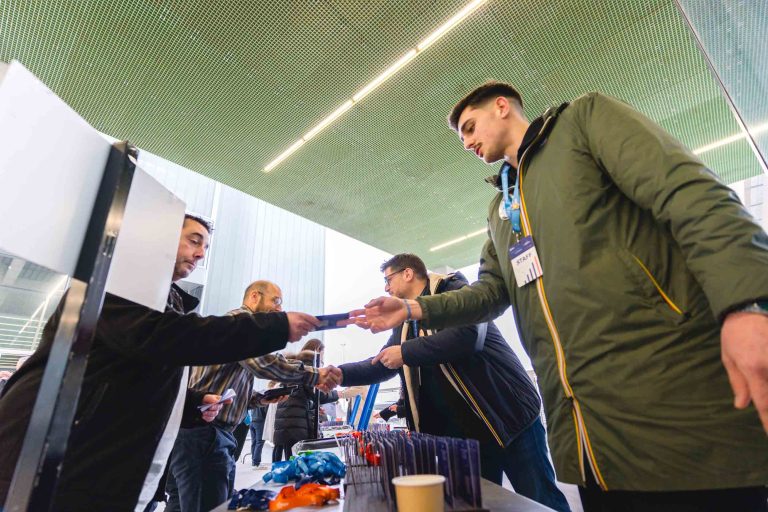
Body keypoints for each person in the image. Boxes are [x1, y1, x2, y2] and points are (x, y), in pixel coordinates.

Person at [353, 82, 768, 510]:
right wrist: (411, 307)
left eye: (470, 127)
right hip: (588, 432)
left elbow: (688, 192)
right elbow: (491, 294)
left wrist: (746, 305)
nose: (468, 142)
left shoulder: (583, 124)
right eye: (462, 137)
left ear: (501, 107)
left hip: (671, 395)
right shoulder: (501, 210)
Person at [0, 214, 320, 512]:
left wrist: (193, 405)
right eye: (194, 241)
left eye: (205, 247)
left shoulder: (165, 298)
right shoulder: (121, 280)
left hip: (97, 449)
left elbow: (135, 371)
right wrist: (279, 327)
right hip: (53, 447)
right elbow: (164, 338)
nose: (200, 254)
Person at [341, 253, 569, 511]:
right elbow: (383, 362)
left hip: (508, 419)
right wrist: (338, 374)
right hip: (468, 440)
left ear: (408, 273)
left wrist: (405, 352)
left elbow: (468, 335)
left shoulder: (455, 290)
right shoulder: (405, 325)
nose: (385, 287)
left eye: (388, 279)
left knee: (542, 500)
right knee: (481, 504)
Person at [165, 280, 342, 512]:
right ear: (254, 297)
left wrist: (259, 398)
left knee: (181, 505)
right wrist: (315, 374)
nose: (279, 309)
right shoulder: (242, 323)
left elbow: (223, 387)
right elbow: (265, 364)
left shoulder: (234, 326)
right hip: (204, 436)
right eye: (276, 301)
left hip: (195, 435)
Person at [272, 350, 339, 462]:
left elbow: (303, 399)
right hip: (295, 426)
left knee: (288, 459)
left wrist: (313, 408)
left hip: (285, 426)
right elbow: (318, 396)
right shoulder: (305, 377)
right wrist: (338, 394)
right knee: (297, 462)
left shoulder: (290, 378)